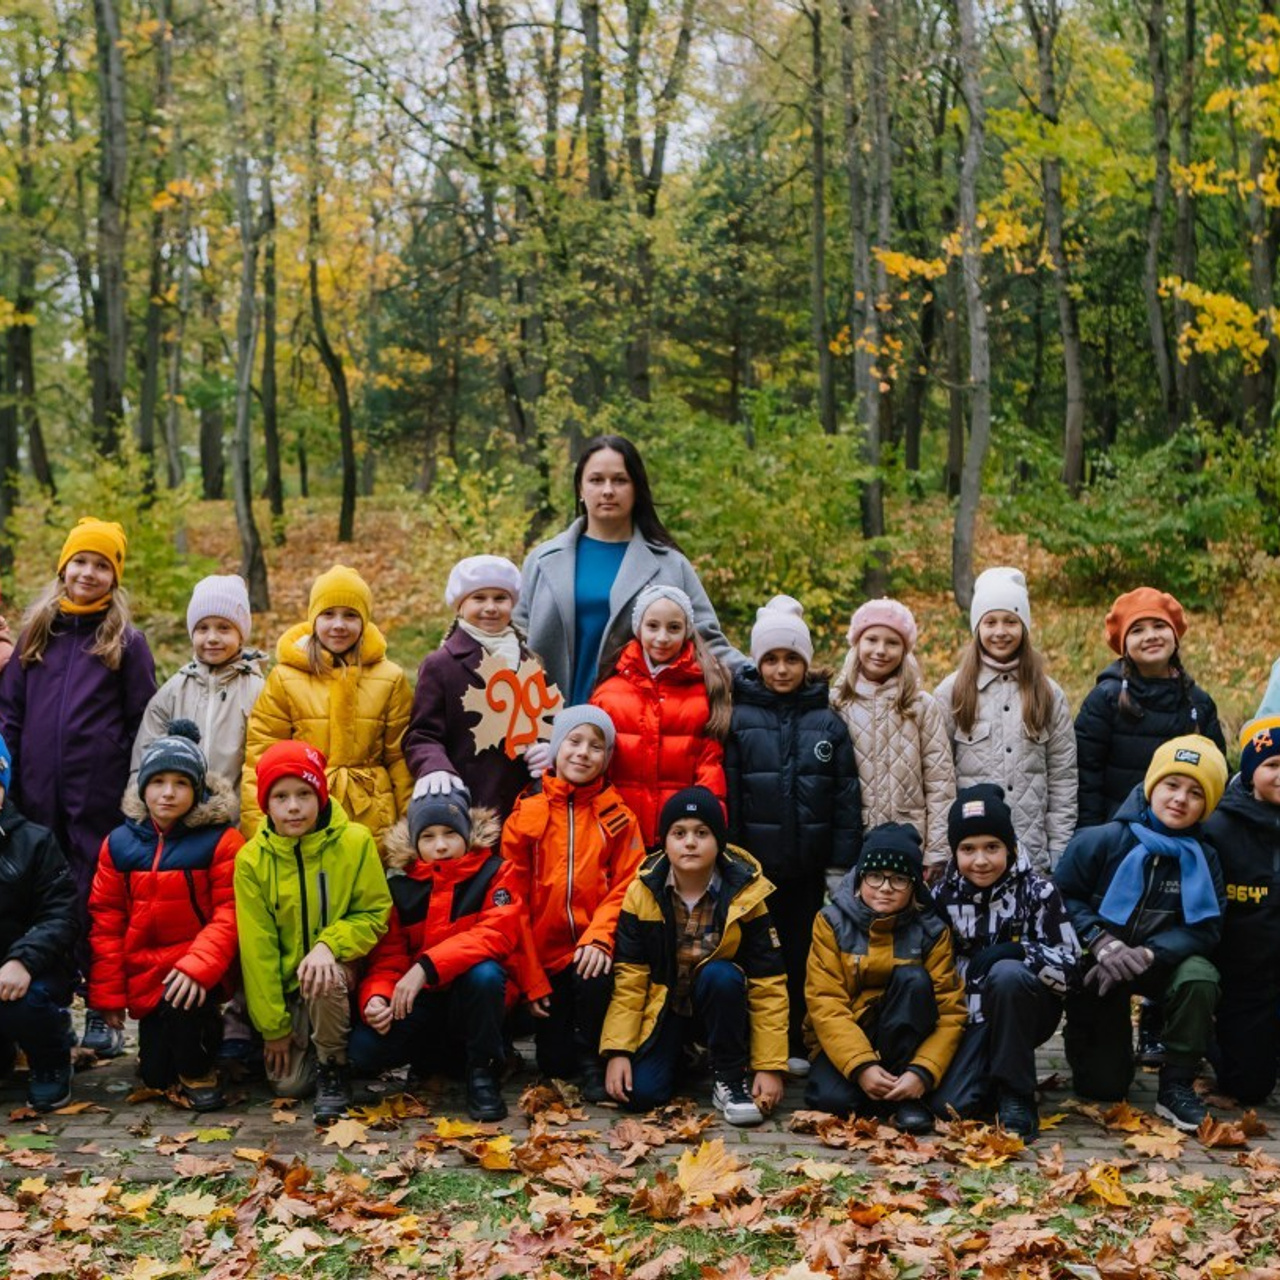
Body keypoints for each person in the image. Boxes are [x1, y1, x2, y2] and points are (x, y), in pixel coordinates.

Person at [0, 517, 156, 1058]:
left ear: (115, 576)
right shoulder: (36, 633)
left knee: (98, 900)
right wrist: (10, 780)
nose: (88, 573)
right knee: (46, 897)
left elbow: (142, 720)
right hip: (36, 795)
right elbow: (10, 714)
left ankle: (102, 1009)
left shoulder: (126, 641)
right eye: (80, 562)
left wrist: (127, 781)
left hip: (99, 797)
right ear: (63, 567)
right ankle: (52, 1004)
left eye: (102, 565)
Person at [1054, 735, 1228, 1130]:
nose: (1180, 799)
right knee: (1103, 1087)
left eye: (1196, 792)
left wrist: (1150, 953)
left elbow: (1206, 929)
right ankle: (1088, 1037)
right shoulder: (1100, 840)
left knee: (1200, 976)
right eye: (1172, 785)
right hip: (1101, 966)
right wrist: (1101, 942)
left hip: (1160, 964)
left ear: (1207, 805)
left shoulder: (1207, 859)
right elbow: (1060, 898)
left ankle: (1176, 1083)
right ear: (1151, 785)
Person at [724, 594, 861, 1074]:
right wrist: (732, 859)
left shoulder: (827, 723)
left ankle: (795, 1039)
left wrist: (840, 863)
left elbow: (845, 798)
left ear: (806, 663)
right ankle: (757, 1040)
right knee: (759, 953)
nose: (781, 669)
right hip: (755, 868)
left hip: (807, 866)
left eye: (791, 659)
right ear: (757, 663)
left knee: (802, 951)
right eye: (771, 659)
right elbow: (732, 793)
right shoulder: (739, 720)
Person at [601, 787, 788, 1125]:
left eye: (702, 833)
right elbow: (631, 979)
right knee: (641, 1094)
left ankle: (729, 1076)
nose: (690, 843)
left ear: (719, 842)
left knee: (721, 975)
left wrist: (769, 1066)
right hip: (667, 1009)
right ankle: (684, 1057)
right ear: (664, 841)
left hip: (724, 1010)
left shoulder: (746, 894)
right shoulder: (642, 892)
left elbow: (768, 984)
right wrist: (619, 1051)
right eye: (679, 833)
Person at [513, 435, 741, 708]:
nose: (608, 490)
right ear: (580, 489)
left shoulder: (671, 565)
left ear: (637, 489)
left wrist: (765, 668)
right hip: (546, 723)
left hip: (636, 724)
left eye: (620, 480)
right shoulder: (542, 560)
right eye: (596, 480)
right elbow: (511, 638)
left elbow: (708, 643)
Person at [88, 722, 242, 1112]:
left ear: (198, 789)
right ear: (143, 788)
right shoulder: (119, 844)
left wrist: (197, 967)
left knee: (187, 1027)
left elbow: (229, 913)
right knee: (156, 1075)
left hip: (198, 969)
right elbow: (106, 920)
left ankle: (200, 1068)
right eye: (158, 781)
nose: (168, 792)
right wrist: (108, 995)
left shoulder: (221, 840)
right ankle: (168, 1054)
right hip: (146, 971)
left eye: (181, 783)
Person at [234, 741, 392, 1121]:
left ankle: (333, 1066)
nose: (293, 806)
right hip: (291, 988)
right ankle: (307, 1045)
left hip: (342, 975)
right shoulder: (251, 861)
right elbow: (257, 951)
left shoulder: (355, 842)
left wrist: (328, 945)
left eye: (304, 794)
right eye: (281, 797)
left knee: (322, 974)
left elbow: (374, 913)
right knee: (288, 1085)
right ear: (266, 804)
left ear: (320, 795)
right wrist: (274, 1027)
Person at [351, 786, 526, 1122]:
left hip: (473, 1000)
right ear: (415, 843)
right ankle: (431, 1059)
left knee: (485, 974)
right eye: (428, 837)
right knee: (363, 1050)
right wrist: (377, 997)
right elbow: (388, 958)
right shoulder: (400, 887)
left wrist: (426, 967)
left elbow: (496, 934)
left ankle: (483, 1070)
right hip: (424, 1003)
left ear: (466, 835)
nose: (441, 845)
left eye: (450, 833)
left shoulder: (495, 873)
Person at [501, 705, 645, 1101]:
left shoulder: (617, 816)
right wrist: (531, 976)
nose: (583, 753)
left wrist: (600, 937)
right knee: (554, 1062)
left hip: (592, 951)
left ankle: (594, 1057)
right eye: (574, 741)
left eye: (596, 746)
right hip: (543, 957)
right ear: (556, 748)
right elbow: (511, 898)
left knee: (593, 978)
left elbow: (628, 883)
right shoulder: (526, 813)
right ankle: (563, 1048)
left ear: (607, 757)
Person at [930, 784, 1080, 1139]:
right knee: (950, 1105)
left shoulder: (1038, 891)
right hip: (967, 1014)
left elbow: (1072, 968)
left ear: (1010, 847)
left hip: (1025, 1006)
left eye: (992, 847)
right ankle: (987, 1079)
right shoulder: (941, 894)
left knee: (1007, 974)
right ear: (955, 852)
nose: (981, 860)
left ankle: (1017, 1093)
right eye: (968, 849)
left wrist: (1021, 952)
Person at [804, 823, 966, 1133]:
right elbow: (825, 1002)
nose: (885, 887)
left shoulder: (932, 931)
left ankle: (906, 1091)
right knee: (831, 1100)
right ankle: (876, 1087)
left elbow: (950, 1012)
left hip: (907, 1039)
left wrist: (922, 1071)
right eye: (875, 876)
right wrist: (862, 1065)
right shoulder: (830, 922)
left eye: (899, 879)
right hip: (850, 1032)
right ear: (860, 878)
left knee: (914, 979)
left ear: (914, 885)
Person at [241, 565, 413, 844]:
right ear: (314, 619)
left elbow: (401, 759)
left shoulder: (390, 678)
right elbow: (261, 758)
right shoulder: (285, 678)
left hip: (373, 816)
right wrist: (258, 830)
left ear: (365, 621)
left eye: (350, 615)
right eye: (328, 614)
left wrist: (411, 825)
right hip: (304, 814)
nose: (339, 625)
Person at [934, 568, 1077, 871]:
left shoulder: (1049, 693)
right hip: (972, 857)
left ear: (1024, 627)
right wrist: (944, 850)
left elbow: (1063, 778)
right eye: (990, 622)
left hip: (1032, 855)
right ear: (977, 627)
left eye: (1011, 621)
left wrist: (1060, 850)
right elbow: (938, 778)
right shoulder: (951, 692)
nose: (1000, 631)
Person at [403, 555, 554, 819]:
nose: (491, 607)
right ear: (461, 605)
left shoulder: (531, 661)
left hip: (526, 806)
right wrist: (434, 766)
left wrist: (549, 748)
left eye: (500, 598)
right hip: (468, 803)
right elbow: (422, 734)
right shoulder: (441, 664)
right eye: (479, 598)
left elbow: (546, 721)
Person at [589, 583, 730, 847]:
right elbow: (597, 770)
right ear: (638, 628)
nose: (662, 637)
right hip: (620, 834)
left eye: (673, 628)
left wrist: (707, 823)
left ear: (686, 631)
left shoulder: (704, 691)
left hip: (680, 835)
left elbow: (709, 766)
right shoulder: (608, 693)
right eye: (653, 626)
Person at [1074, 587, 1224, 829]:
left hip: (1181, 833)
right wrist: (1093, 836)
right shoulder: (1105, 699)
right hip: (1116, 833)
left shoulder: (1198, 703)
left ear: (1175, 635)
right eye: (1137, 630)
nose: (1151, 636)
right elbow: (1086, 776)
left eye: (1159, 626)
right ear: (1124, 644)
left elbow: (1217, 775)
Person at [831, 598, 955, 873]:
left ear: (905, 649)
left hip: (910, 841)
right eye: (871, 639)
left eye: (892, 642)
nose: (880, 650)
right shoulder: (836, 703)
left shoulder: (921, 706)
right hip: (853, 844)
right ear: (857, 643)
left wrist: (936, 853)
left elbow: (940, 782)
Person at [130, 575, 266, 823]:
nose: (212, 637)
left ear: (241, 634)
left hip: (235, 824)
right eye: (203, 628)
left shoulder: (257, 691)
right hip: (176, 825)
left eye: (223, 628)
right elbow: (144, 758)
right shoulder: (172, 691)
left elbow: (265, 762)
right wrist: (144, 819)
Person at [0, 730, 78, 1112]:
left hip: (31, 972)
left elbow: (61, 914)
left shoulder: (35, 842)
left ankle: (51, 1061)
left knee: (25, 1003)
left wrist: (23, 960)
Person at [1204, 716, 1280, 1105]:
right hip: (1244, 979)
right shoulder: (1220, 828)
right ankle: (1209, 1037)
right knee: (1248, 1087)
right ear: (1250, 773)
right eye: (1273, 764)